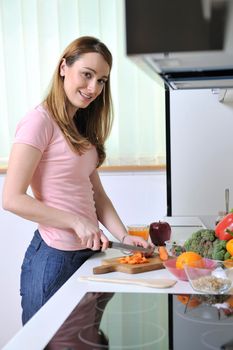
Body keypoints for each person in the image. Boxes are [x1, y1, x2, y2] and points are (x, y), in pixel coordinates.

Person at [2, 36, 153, 325]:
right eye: (87, 74)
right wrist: (76, 221)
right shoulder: (39, 122)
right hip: (53, 259)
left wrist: (123, 236)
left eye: (102, 80)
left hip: (89, 254)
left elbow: (97, 195)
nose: (94, 88)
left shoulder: (77, 127)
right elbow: (11, 199)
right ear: (63, 67)